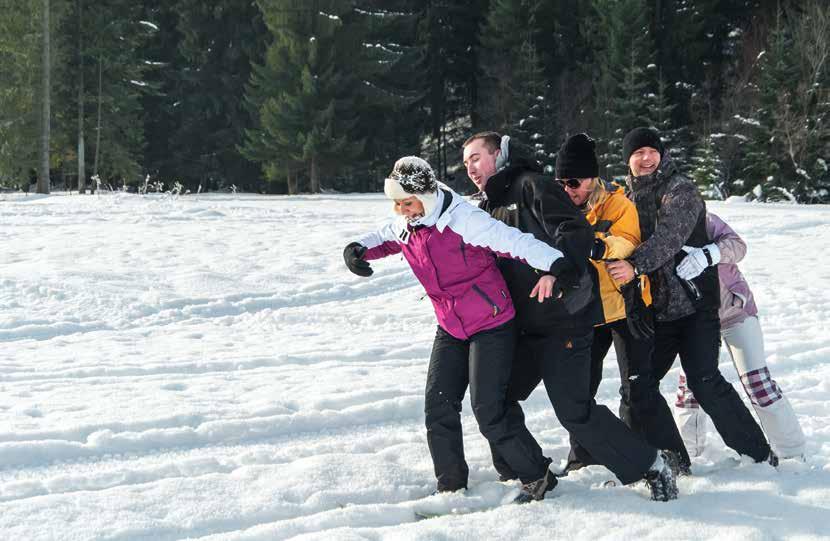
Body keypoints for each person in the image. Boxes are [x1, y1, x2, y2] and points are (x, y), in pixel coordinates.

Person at [463, 132, 677, 501]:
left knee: (576, 413)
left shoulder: (532, 185)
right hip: (526, 324)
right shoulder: (490, 204)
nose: (470, 168)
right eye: (465, 162)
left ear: (498, 155)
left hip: (564, 320)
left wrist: (556, 270)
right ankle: (533, 473)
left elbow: (574, 230)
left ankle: (651, 464)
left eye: (476, 158)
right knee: (497, 401)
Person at [343, 156, 564, 503]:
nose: (402, 210)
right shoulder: (408, 221)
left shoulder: (464, 219)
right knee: (438, 405)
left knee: (488, 409)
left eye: (408, 203)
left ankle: (538, 476)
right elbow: (385, 236)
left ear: (427, 196)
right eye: (397, 204)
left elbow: (514, 242)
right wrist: (357, 250)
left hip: (491, 321)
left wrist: (555, 262)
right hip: (450, 325)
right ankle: (450, 485)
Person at [606, 127, 773, 465]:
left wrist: (633, 265)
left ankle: (758, 454)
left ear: (662, 154)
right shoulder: (626, 199)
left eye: (652, 150)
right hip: (658, 311)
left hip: (695, 308)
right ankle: (670, 461)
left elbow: (668, 238)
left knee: (705, 380)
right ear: (628, 160)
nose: (646, 157)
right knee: (641, 385)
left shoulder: (681, 190)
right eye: (638, 153)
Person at [553, 133, 691, 475]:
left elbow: (626, 241)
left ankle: (672, 460)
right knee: (581, 389)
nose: (568, 189)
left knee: (638, 388)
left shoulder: (617, 202)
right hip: (586, 311)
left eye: (574, 181)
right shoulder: (556, 205)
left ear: (592, 178)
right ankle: (584, 458)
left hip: (626, 306)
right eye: (561, 182)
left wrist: (595, 246)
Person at [674, 212, 806, 460]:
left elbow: (738, 246)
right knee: (690, 387)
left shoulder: (703, 219)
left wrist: (709, 254)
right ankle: (690, 451)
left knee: (758, 383)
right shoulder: (656, 226)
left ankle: (792, 453)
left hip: (735, 312)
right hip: (695, 320)